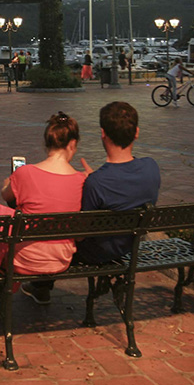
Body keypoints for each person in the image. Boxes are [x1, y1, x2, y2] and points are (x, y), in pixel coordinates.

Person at [1, 112, 86, 305]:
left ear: (46, 144)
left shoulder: (25, 173)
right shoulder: (81, 180)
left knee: (16, 206)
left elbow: (5, 196)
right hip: (61, 259)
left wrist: (10, 181)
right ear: (72, 144)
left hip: (23, 259)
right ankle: (42, 288)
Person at [76, 101, 161, 265]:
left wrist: (93, 180)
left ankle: (41, 285)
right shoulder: (151, 167)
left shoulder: (96, 183)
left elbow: (81, 235)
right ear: (136, 132)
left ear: (103, 133)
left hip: (99, 252)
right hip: (131, 245)